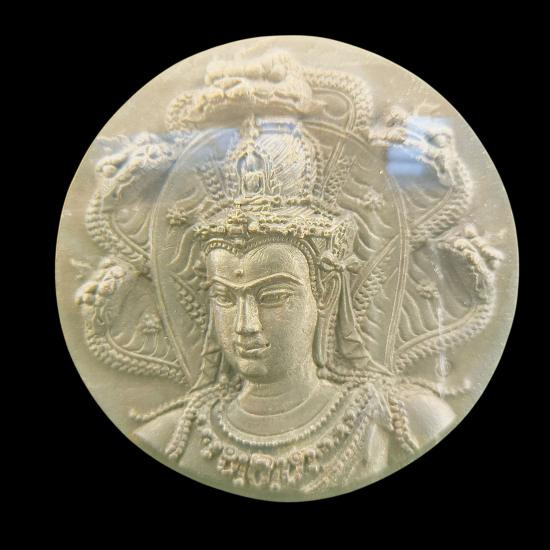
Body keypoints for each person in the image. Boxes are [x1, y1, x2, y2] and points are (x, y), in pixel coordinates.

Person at [133, 116, 456, 498]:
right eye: (225, 297)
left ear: (326, 292)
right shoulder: (170, 437)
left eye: (272, 297)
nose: (246, 325)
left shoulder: (404, 420)